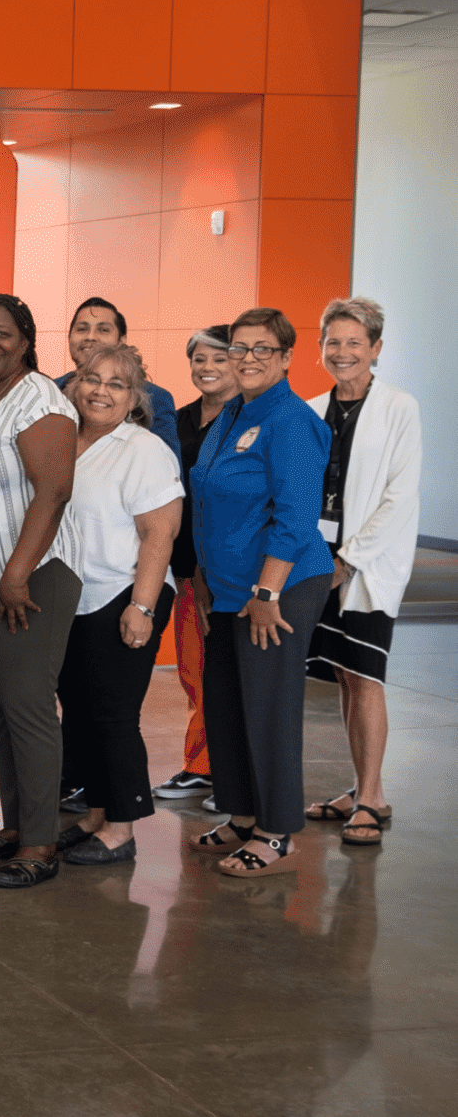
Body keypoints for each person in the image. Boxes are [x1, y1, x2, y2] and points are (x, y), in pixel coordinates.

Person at [188, 307, 334, 877]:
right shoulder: (232, 414)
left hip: (280, 587)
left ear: (286, 358)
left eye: (261, 349)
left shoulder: (291, 420)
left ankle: (277, 832)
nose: (247, 359)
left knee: (269, 707)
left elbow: (297, 518)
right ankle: (243, 814)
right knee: (226, 702)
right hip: (227, 588)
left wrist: (267, 592)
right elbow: (207, 499)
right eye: (238, 349)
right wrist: (203, 577)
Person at [0, 293, 81, 890]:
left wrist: (17, 574)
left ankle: (40, 842)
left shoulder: (40, 399)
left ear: (26, 339)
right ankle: (18, 824)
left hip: (29, 579)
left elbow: (53, 492)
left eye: (1, 334)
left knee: (28, 711)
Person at [54, 344, 182, 866]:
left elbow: (159, 534)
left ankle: (123, 826)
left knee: (113, 714)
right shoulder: (64, 440)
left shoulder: (144, 449)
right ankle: (97, 810)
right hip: (73, 597)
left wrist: (143, 606)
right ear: (73, 384)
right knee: (79, 712)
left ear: (135, 399)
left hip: (126, 594)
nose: (100, 390)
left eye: (116, 383)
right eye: (91, 378)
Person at [303, 298, 419, 847]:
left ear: (375, 348)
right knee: (345, 676)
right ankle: (358, 786)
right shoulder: (310, 407)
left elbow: (400, 496)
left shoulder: (400, 408)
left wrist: (348, 559)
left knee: (367, 677)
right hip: (317, 563)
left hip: (367, 567)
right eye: (333, 342)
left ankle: (372, 794)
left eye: (355, 342)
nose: (342, 352)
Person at [153, 327, 235, 803]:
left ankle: (211, 767)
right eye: (198, 359)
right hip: (183, 567)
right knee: (192, 671)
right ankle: (201, 765)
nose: (206, 367)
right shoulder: (179, 418)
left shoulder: (245, 421)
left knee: (217, 672)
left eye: (218, 359)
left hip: (224, 571)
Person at [60, 297, 181, 457]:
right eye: (82, 329)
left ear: (122, 341)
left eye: (103, 330)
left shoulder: (155, 398)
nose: (90, 336)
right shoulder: (52, 390)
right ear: (69, 337)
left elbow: (166, 465)